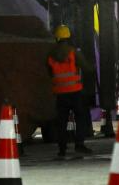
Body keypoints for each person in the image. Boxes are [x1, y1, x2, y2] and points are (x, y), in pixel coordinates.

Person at [46, 24, 94, 157]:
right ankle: (79, 145)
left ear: (57, 38)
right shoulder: (73, 52)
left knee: (61, 121)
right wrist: (92, 67)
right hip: (75, 92)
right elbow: (86, 67)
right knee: (81, 118)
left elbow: (50, 73)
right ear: (68, 37)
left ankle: (62, 148)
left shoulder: (51, 55)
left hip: (60, 93)